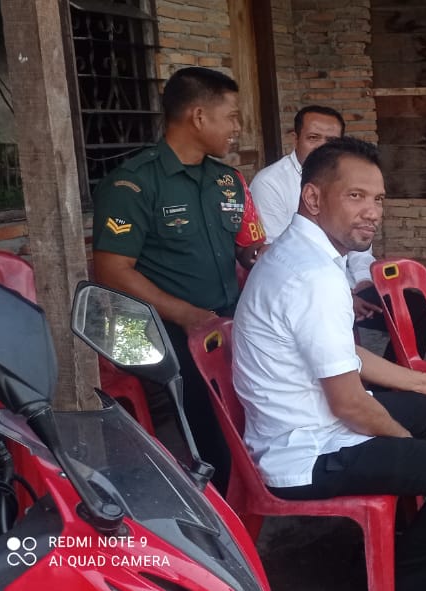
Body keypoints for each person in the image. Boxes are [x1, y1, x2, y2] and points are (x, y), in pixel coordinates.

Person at [233, 137, 426, 591]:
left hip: (304, 425)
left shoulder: (302, 253)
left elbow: (344, 353)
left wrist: (422, 381)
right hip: (307, 453)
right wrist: (406, 447)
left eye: (378, 199)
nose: (373, 211)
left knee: (425, 406)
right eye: (356, 196)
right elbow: (351, 407)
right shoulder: (313, 276)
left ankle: (399, 533)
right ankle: (399, 582)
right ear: (313, 198)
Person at [93, 66, 260, 493]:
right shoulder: (132, 185)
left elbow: (248, 246)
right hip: (158, 330)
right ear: (199, 117)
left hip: (224, 321)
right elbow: (112, 271)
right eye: (232, 116)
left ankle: (262, 482)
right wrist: (186, 315)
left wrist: (264, 256)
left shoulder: (226, 181)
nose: (238, 128)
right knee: (210, 419)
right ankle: (218, 503)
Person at [249, 105, 426, 358]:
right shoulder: (270, 183)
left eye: (331, 141)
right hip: (309, 292)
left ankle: (397, 376)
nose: (372, 212)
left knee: (416, 309)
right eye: (313, 138)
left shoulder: (346, 177)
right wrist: (345, 297)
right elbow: (277, 252)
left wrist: (364, 281)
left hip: (347, 283)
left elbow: (358, 247)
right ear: (295, 139)